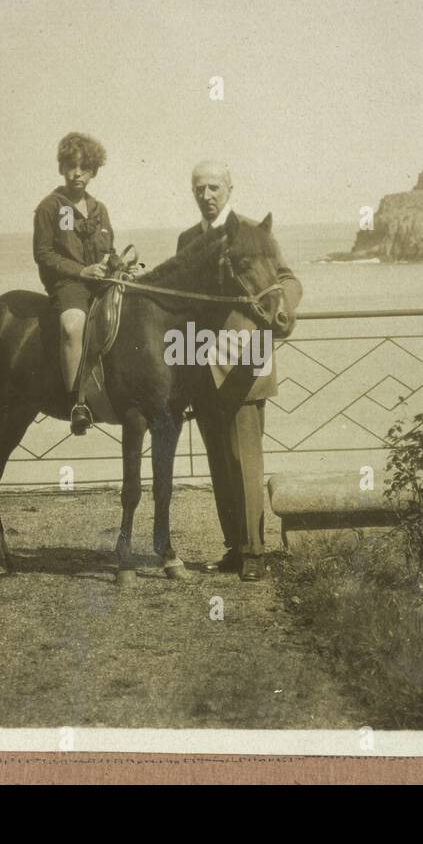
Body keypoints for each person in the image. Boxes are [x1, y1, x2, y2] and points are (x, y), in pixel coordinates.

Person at [178, 161, 302, 581]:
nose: (207, 195)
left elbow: (287, 280)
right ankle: (234, 546)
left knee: (245, 457)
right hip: (202, 362)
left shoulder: (254, 231)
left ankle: (254, 552)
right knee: (218, 459)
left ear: (229, 189)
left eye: (214, 187)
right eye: (199, 188)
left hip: (246, 358)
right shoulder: (188, 240)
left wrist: (275, 312)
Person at [32, 132, 115, 435]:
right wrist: (81, 272)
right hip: (69, 285)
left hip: (102, 281)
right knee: (72, 324)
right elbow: (43, 254)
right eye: (71, 166)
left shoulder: (99, 209)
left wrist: (122, 267)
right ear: (61, 168)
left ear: (93, 171)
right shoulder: (50, 207)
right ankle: (77, 402)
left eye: (84, 167)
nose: (77, 173)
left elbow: (110, 249)